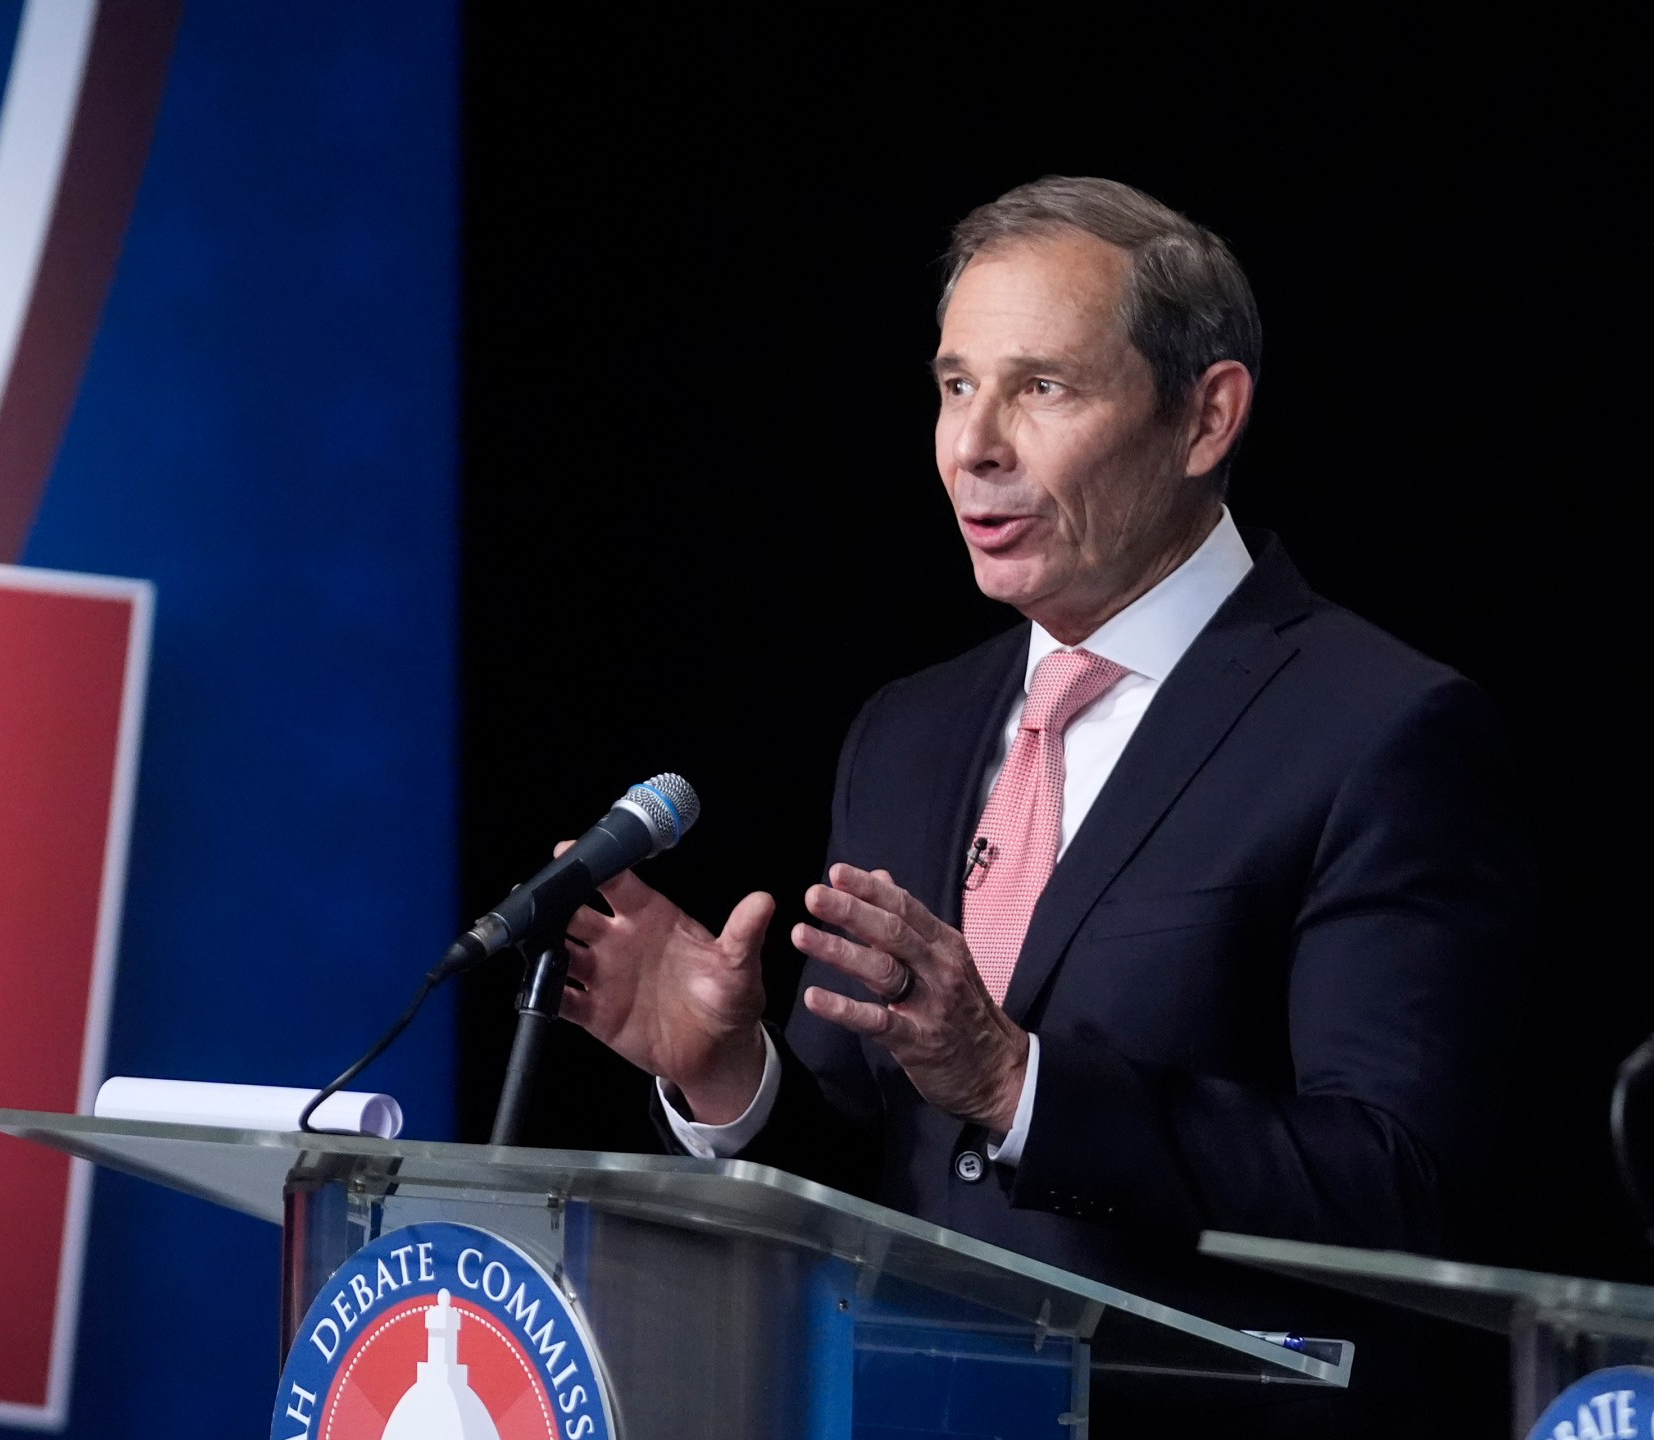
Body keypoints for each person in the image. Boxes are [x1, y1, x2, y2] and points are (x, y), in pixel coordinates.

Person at [554, 176, 1530, 1428]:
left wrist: (1020, 1085)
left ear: (1205, 417)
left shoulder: (1379, 730)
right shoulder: (906, 733)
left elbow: (1401, 1186)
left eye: (1041, 387)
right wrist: (730, 1078)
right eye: (956, 385)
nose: (974, 445)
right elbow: (890, 1164)